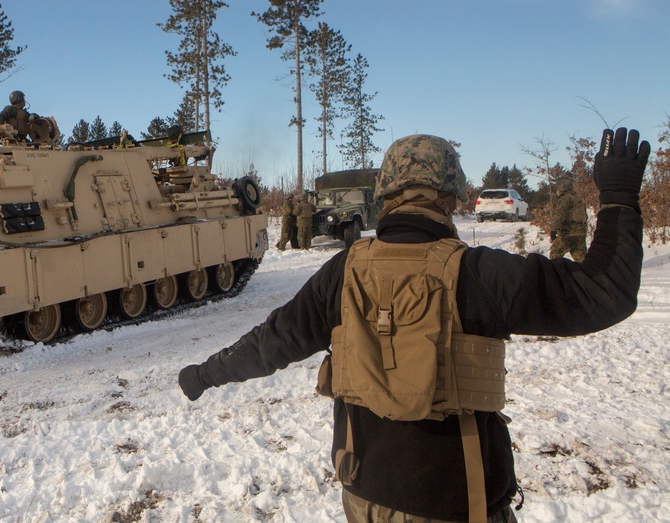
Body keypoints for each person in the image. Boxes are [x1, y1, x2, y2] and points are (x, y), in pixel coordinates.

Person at [178, 128, 649, 523]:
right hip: (456, 504)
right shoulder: (479, 275)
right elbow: (605, 292)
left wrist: (204, 374)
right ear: (450, 195)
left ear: (385, 193)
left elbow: (270, 344)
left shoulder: (342, 272)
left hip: (364, 498)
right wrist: (619, 198)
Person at [549, 176, 588, 263]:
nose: (557, 192)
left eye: (558, 189)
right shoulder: (578, 200)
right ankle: (586, 275)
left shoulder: (564, 199)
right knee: (582, 260)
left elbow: (560, 215)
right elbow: (585, 216)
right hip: (581, 234)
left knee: (554, 257)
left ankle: (555, 275)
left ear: (562, 189)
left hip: (568, 234)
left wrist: (553, 230)